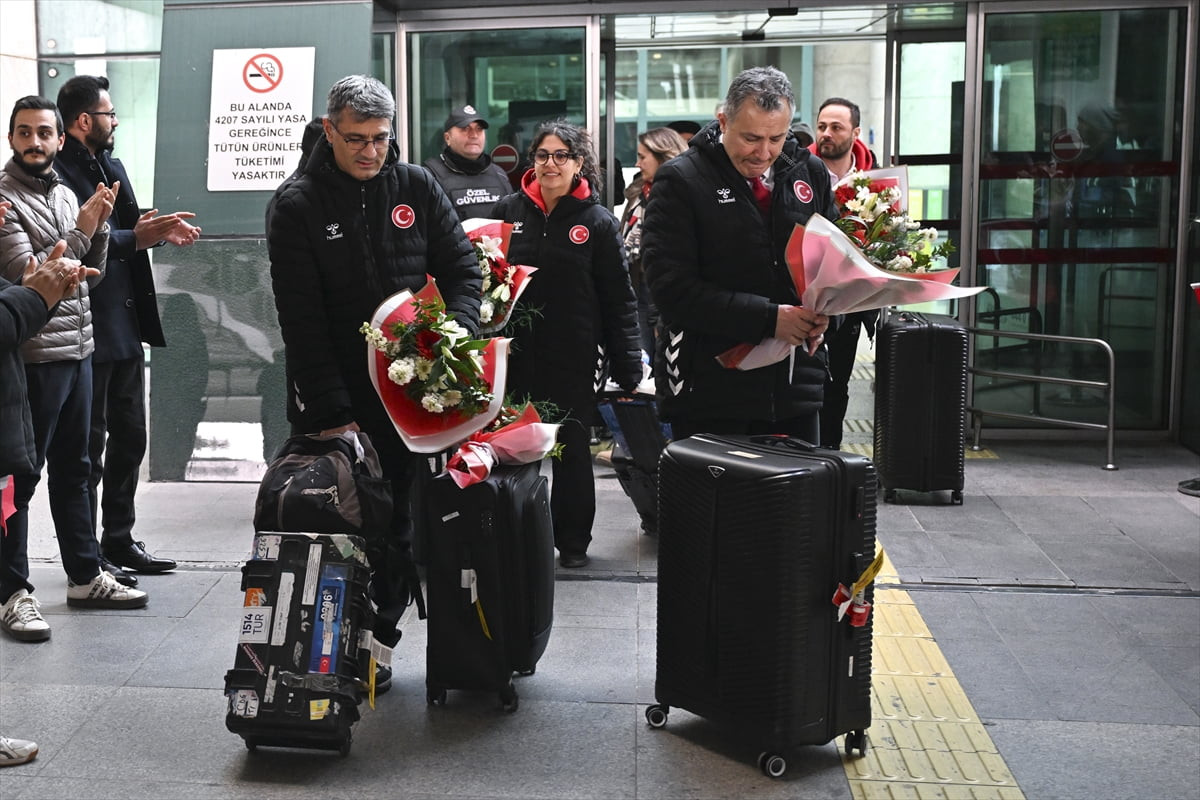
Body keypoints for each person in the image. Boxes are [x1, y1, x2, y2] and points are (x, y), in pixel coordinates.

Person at [267, 75, 481, 643]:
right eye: (356, 138)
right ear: (328, 130)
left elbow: (463, 268)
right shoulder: (296, 205)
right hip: (334, 400)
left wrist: (455, 333)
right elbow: (302, 322)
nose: (370, 151)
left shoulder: (416, 186)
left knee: (399, 523)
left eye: (380, 138)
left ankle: (378, 639)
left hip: (408, 393)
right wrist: (335, 413)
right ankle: (334, 640)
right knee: (343, 525)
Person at [0, 96, 147, 621]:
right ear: (12, 138)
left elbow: (91, 271)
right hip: (34, 357)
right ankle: (12, 593)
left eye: (44, 133)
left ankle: (85, 576)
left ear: (61, 140)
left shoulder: (65, 192)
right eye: (24, 133)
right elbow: (30, 276)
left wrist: (99, 227)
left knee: (77, 468)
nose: (35, 142)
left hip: (80, 348)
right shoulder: (3, 199)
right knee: (20, 478)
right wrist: (84, 231)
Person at [54, 75, 200, 581]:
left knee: (131, 439)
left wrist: (158, 233)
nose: (115, 121)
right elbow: (79, 240)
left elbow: (128, 232)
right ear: (84, 121)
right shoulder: (58, 172)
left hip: (125, 322)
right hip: (86, 326)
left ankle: (119, 538)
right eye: (109, 113)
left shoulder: (111, 165)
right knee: (87, 450)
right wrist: (135, 236)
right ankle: (89, 555)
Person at [642, 66, 836, 443]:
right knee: (719, 501)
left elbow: (835, 265)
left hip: (795, 386)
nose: (763, 152)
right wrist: (768, 319)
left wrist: (828, 314)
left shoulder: (808, 172)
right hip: (710, 389)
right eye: (750, 138)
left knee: (797, 499)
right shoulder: (680, 181)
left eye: (776, 138)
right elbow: (671, 290)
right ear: (722, 121)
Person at [492, 120, 642, 568]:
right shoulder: (507, 211)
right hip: (514, 354)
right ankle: (516, 532)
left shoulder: (596, 221)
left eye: (562, 156)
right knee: (513, 448)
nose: (550, 164)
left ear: (579, 163)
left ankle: (572, 542)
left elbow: (619, 297)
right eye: (542, 155)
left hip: (574, 355)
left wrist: (627, 363)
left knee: (572, 450)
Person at [810, 96, 880, 449]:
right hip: (808, 299)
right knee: (807, 387)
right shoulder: (800, 171)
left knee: (837, 385)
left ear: (855, 132)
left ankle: (831, 455)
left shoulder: (876, 182)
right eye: (821, 126)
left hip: (850, 305)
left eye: (835, 127)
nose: (826, 134)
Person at [619, 127, 687, 358]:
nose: (638, 164)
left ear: (663, 156)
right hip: (637, 288)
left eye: (642, 157)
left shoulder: (682, 194)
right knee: (642, 362)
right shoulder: (637, 194)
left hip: (667, 296)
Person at [423, 105, 512, 221]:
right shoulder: (430, 176)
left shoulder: (499, 174)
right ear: (447, 138)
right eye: (465, 128)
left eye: (479, 129)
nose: (474, 135)